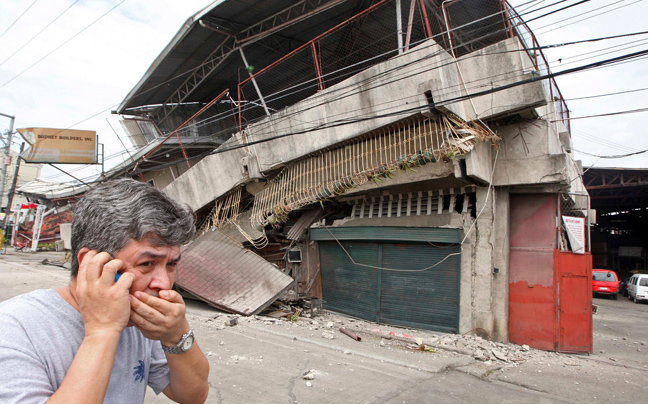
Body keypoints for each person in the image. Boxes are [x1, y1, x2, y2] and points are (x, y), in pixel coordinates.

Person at [0, 179, 209, 404]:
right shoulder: (14, 328)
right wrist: (102, 332)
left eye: (171, 265)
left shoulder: (139, 323)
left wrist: (177, 335)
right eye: (147, 263)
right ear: (91, 263)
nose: (164, 284)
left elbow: (192, 395)